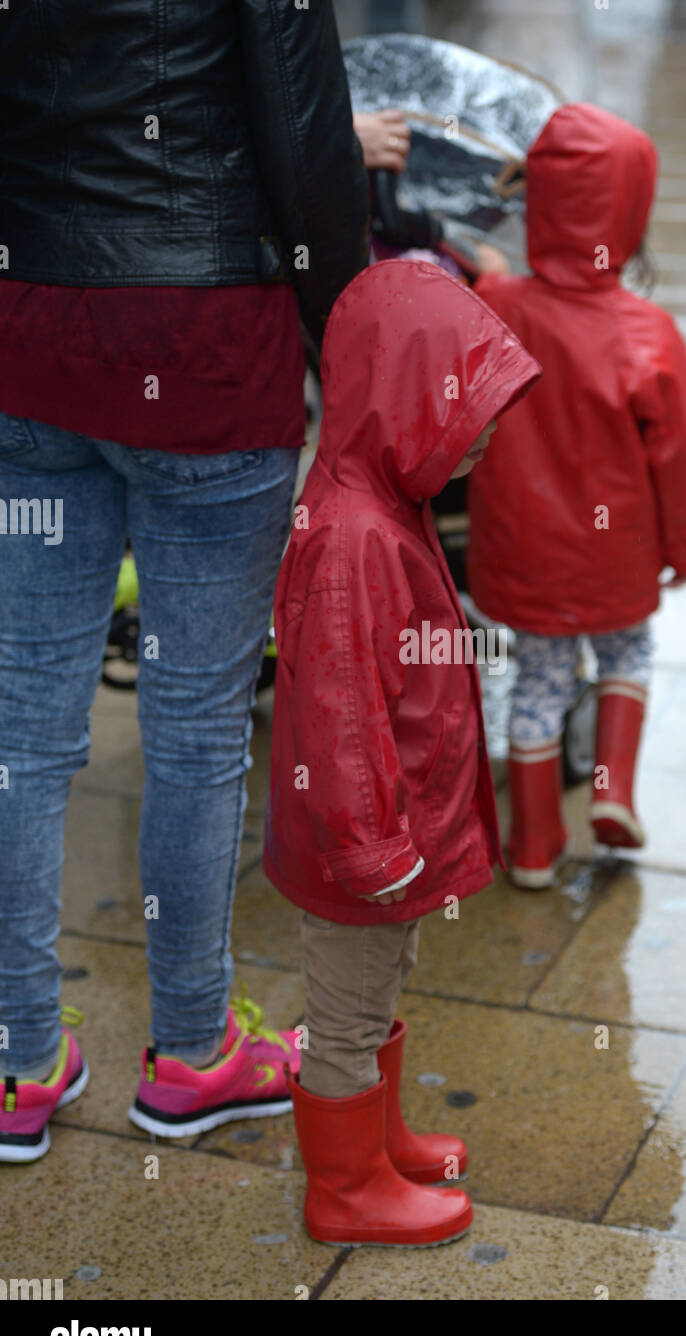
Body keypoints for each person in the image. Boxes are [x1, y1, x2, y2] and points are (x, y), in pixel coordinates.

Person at [0, 0, 369, 1161]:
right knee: (197, 727)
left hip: (32, 329)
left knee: (23, 716)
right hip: (206, 341)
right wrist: (343, 332)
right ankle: (196, 1050)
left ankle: (18, 1060)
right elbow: (307, 143)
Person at [263, 258, 541, 1246]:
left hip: (383, 838)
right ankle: (344, 1191)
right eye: (468, 426)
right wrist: (376, 849)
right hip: (359, 848)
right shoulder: (354, 537)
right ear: (404, 405)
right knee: (343, 1012)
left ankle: (375, 1146)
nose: (483, 445)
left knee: (375, 985)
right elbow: (341, 716)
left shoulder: (383, 501)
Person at [467, 104, 686, 888]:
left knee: (538, 682)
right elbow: (677, 460)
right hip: (616, 555)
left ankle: (534, 846)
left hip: (524, 550)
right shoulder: (648, 334)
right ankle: (610, 789)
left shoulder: (497, 307)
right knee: (628, 652)